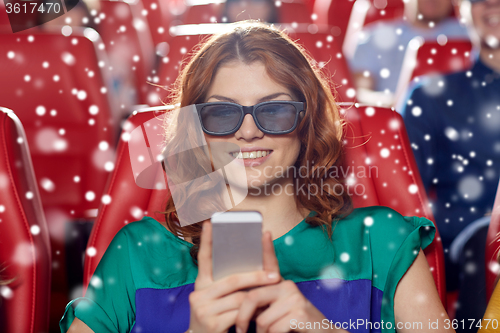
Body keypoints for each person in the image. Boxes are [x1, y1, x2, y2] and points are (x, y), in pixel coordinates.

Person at [60, 21, 453, 333]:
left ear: (307, 123)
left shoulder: (381, 240)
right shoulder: (138, 252)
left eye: (275, 111)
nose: (248, 132)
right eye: (222, 113)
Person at [401, 0, 500, 312]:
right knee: (484, 237)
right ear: (465, 9)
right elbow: (407, 199)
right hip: (465, 241)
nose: (493, 5)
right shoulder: (431, 95)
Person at [349, 0, 469, 106]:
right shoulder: (373, 38)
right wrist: (398, 103)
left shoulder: (470, 35)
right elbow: (359, 92)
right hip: (395, 118)